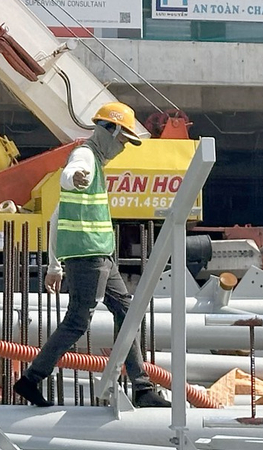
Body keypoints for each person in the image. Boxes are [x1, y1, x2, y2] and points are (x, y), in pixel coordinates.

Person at [13, 102, 168, 410]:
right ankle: (31, 379)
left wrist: (54, 264)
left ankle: (141, 387)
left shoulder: (96, 164)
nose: (123, 147)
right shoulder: (86, 156)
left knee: (127, 312)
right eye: (123, 140)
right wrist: (76, 178)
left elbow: (57, 215)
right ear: (108, 131)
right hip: (87, 256)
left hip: (101, 256)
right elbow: (70, 173)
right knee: (77, 322)